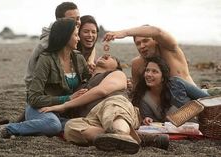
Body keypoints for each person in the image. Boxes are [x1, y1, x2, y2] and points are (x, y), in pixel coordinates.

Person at [39, 54, 170, 154]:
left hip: (117, 108)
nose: (106, 55)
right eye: (102, 55)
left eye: (111, 57)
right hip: (92, 118)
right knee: (71, 127)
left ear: (116, 67)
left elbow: (102, 91)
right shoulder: (82, 83)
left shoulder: (117, 74)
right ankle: (133, 138)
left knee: (112, 106)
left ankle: (122, 134)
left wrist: (65, 105)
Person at [0, 18, 90, 139]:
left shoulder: (79, 59)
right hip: (39, 109)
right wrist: (67, 98)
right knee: (53, 125)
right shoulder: (46, 59)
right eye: (75, 35)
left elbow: (88, 81)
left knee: (81, 125)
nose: (79, 39)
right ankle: (8, 128)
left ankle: (35, 128)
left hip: (63, 112)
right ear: (65, 37)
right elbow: (33, 98)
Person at [103, 25, 197, 87]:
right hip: (164, 108)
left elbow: (158, 31)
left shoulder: (169, 49)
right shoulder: (137, 64)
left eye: (145, 41)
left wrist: (125, 33)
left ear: (155, 40)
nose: (142, 46)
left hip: (192, 99)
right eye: (138, 43)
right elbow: (137, 92)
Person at [131, 57, 209, 124]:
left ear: (163, 77)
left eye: (154, 71)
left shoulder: (176, 83)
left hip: (203, 102)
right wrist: (148, 120)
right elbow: (151, 122)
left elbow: (207, 99)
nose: (148, 74)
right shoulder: (144, 98)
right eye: (147, 70)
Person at [24, 2, 81, 90]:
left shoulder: (73, 32)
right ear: (59, 20)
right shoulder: (47, 42)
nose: (77, 22)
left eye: (78, 18)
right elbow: (31, 74)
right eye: (72, 19)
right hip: (44, 89)